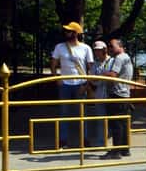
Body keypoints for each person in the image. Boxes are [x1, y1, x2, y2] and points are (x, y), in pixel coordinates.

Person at [49, 21, 93, 149]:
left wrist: (87, 84)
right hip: (65, 84)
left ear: (75, 33)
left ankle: (84, 140)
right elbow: (53, 64)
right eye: (66, 31)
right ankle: (63, 141)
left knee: (82, 114)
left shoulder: (86, 48)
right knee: (64, 113)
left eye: (69, 31)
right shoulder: (59, 47)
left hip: (80, 83)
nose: (66, 33)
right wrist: (56, 78)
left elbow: (90, 68)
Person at [102, 38, 134, 159]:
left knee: (116, 124)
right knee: (123, 123)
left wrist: (101, 74)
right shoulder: (126, 57)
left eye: (111, 46)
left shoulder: (119, 58)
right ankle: (125, 149)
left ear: (120, 46)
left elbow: (113, 75)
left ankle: (116, 151)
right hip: (125, 94)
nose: (109, 48)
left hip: (117, 94)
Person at [85, 40, 110, 147]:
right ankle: (101, 143)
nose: (97, 53)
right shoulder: (95, 64)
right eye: (95, 51)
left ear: (104, 50)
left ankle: (114, 142)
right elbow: (92, 79)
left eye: (99, 50)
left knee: (113, 121)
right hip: (100, 95)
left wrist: (100, 79)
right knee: (101, 120)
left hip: (111, 95)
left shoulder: (112, 61)